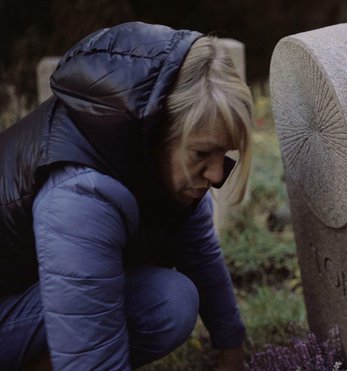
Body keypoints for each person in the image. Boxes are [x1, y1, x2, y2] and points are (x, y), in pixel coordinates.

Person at [0, 22, 252, 370]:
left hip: (27, 295)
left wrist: (232, 351)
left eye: (223, 154)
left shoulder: (158, 156)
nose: (215, 174)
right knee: (158, 304)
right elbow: (91, 356)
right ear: (160, 129)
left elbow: (201, 256)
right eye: (201, 154)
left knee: (169, 300)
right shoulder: (81, 193)